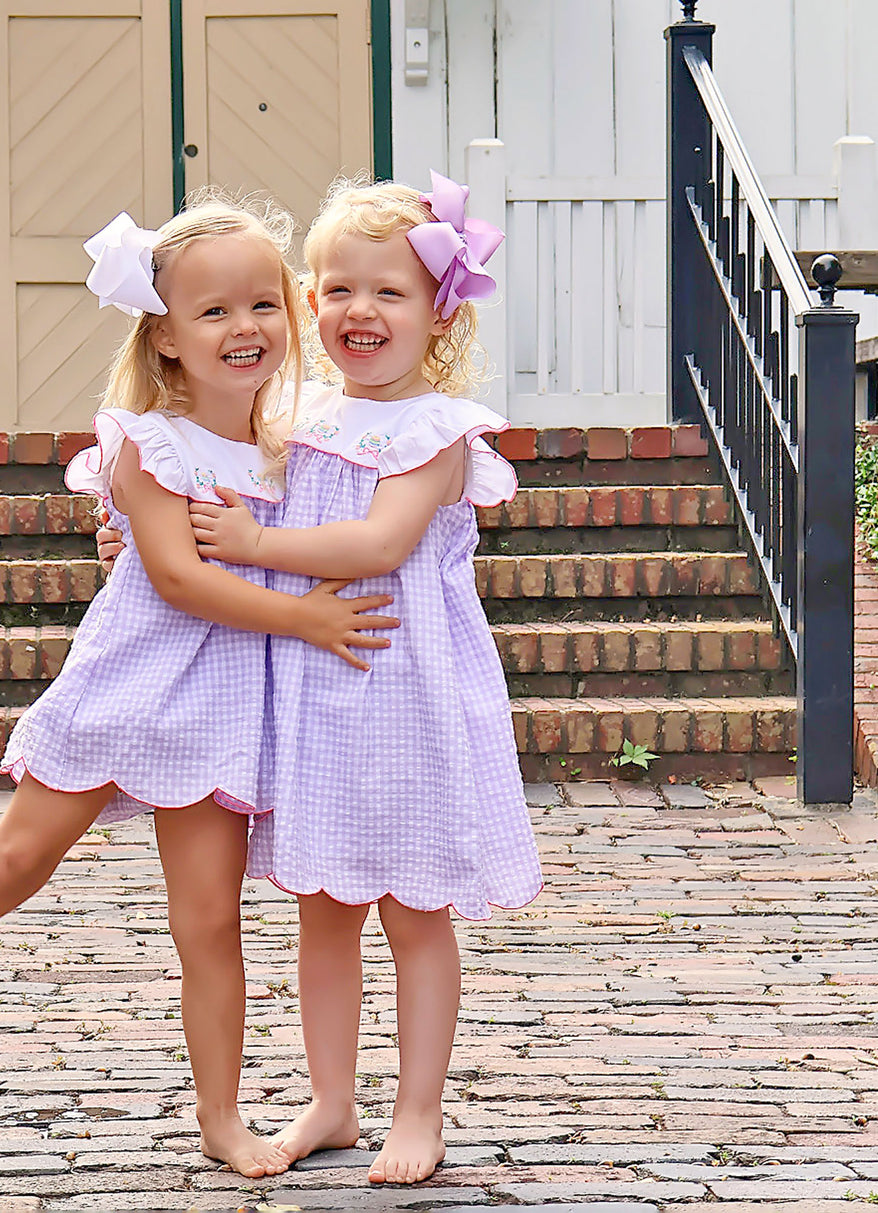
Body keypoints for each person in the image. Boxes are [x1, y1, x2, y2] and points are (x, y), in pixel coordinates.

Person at [0, 193, 397, 1179]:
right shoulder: (147, 442)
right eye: (213, 312)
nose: (244, 329)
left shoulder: (298, 441)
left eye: (262, 305)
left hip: (222, 708)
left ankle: (222, 1117)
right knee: (16, 856)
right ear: (168, 337)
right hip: (132, 683)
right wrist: (309, 617)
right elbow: (181, 580)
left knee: (209, 921)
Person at [184, 173, 545, 1185]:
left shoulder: (437, 432)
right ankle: (331, 1100)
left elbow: (381, 542)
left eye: (387, 291)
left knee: (411, 909)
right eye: (337, 288)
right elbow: (213, 487)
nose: (358, 311)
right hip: (314, 688)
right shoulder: (292, 414)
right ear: (310, 300)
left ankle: (417, 1109)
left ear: (438, 310)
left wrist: (257, 536)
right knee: (322, 905)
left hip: (405, 689)